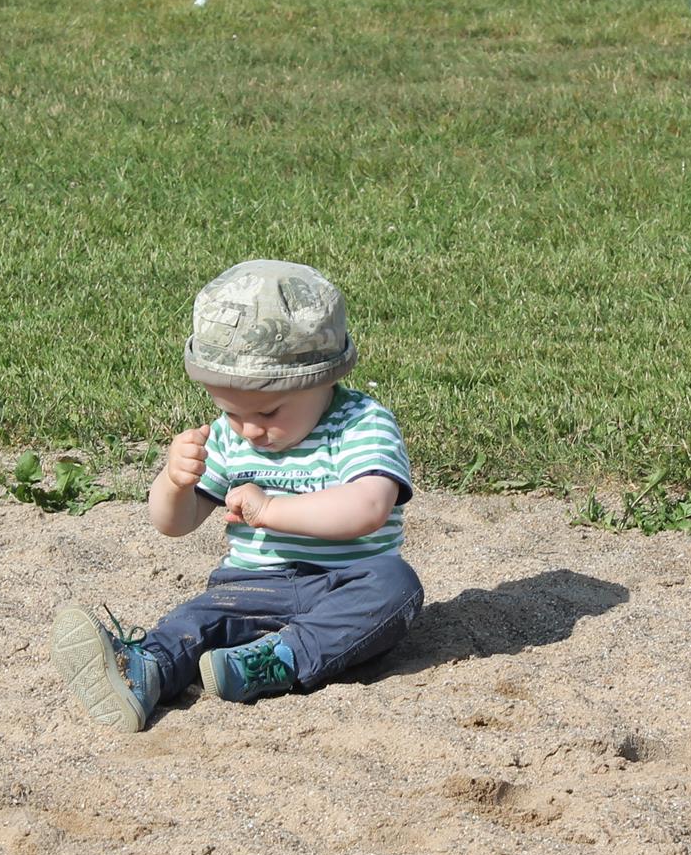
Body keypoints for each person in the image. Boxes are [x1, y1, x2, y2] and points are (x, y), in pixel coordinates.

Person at [49, 260, 423, 734]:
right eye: (230, 412)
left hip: (346, 582)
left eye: (268, 413)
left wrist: (271, 510)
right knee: (197, 620)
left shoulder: (361, 424)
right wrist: (174, 482)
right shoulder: (229, 438)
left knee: (396, 586)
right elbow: (174, 523)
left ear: (323, 379)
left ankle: (275, 660)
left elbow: (368, 508)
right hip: (251, 587)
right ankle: (144, 671)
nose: (249, 430)